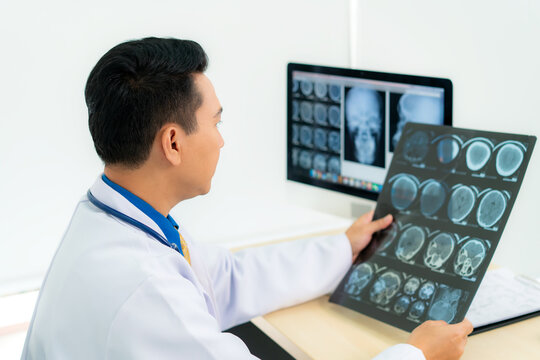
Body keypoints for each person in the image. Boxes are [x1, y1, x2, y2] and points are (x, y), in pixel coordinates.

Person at [21, 37, 472, 359]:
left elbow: (232, 278)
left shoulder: (111, 220)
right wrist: (416, 355)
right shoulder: (145, 289)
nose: (221, 141)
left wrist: (343, 248)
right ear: (173, 143)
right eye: (216, 123)